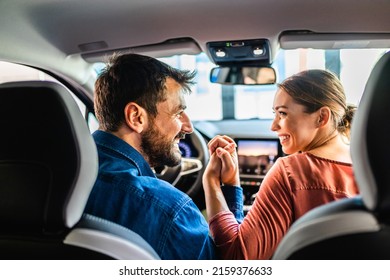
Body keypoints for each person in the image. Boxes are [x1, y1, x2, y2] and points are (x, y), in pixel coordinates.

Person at [202, 69, 359, 259]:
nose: (273, 126)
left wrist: (212, 183)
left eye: (282, 114)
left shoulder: (290, 172)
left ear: (322, 117)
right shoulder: (373, 169)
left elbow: (238, 259)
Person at [84, 53, 218, 260]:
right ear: (136, 117)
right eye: (177, 113)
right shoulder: (170, 210)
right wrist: (223, 188)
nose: (189, 127)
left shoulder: (53, 184)